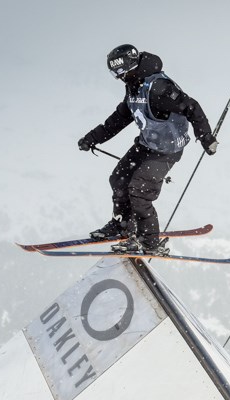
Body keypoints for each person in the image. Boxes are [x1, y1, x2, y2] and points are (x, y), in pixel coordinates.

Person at [78, 44, 218, 255]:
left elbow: (191, 107)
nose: (119, 77)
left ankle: (150, 242)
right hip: (146, 144)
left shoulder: (159, 88)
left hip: (166, 150)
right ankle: (122, 226)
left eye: (120, 72)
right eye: (114, 73)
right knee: (119, 179)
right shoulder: (134, 86)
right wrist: (92, 138)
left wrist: (205, 137)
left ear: (131, 66)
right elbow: (119, 119)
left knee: (140, 191)